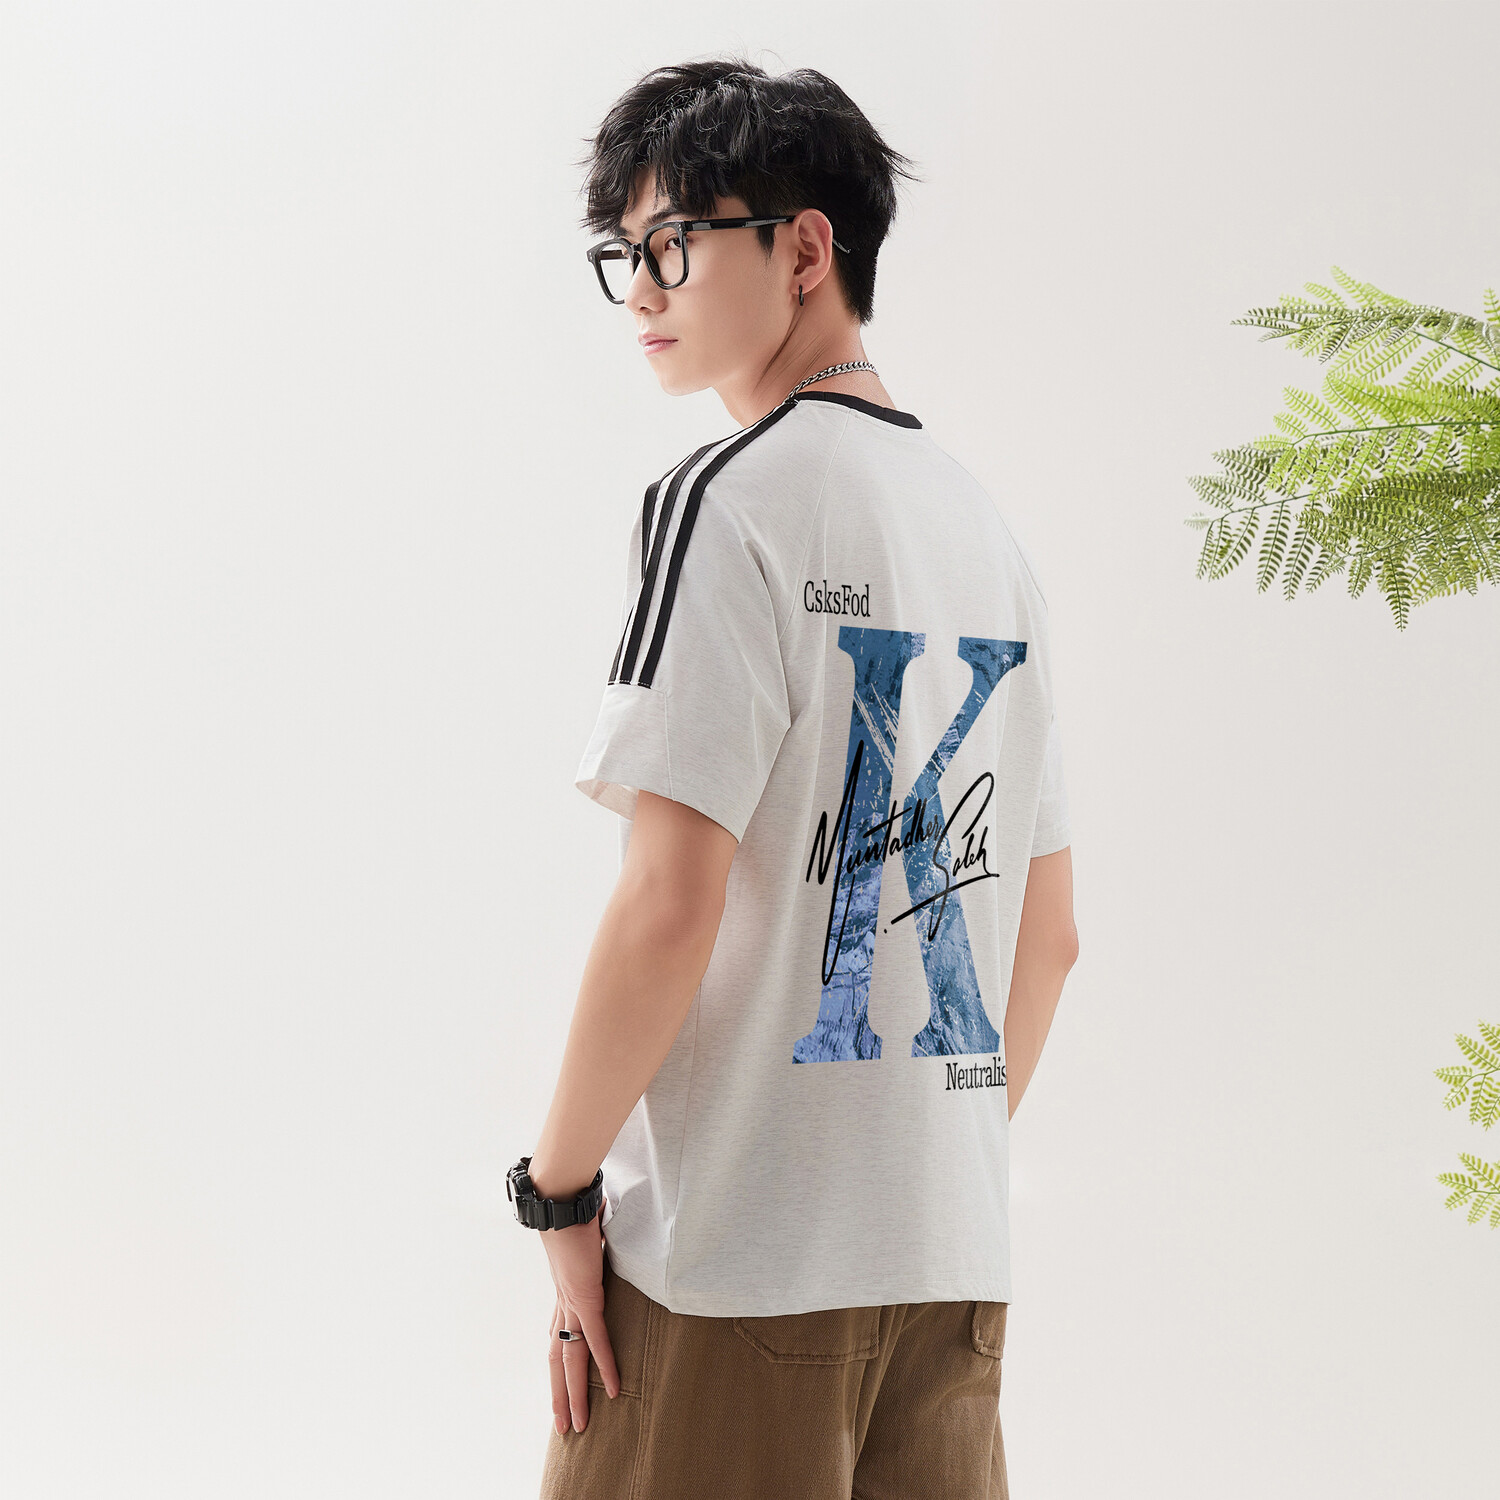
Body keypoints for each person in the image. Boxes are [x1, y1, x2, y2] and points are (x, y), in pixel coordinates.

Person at [509, 58, 1078, 1500]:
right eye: (623, 256)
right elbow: (1051, 936)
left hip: (736, 1274)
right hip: (951, 1273)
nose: (640, 291)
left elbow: (667, 905)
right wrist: (913, 1166)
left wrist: (557, 1194)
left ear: (805, 250)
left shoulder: (726, 502)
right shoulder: (988, 535)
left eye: (671, 245)